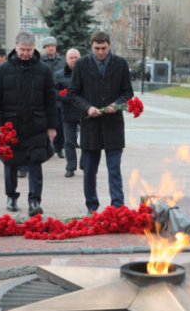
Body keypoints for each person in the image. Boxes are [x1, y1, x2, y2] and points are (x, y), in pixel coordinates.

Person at [0, 30, 57, 217]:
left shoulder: (43, 69)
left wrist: (52, 127)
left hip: (37, 124)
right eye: (22, 49)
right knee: (10, 161)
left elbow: (51, 100)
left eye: (29, 49)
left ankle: (34, 201)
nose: (25, 53)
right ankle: (11, 196)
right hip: (10, 125)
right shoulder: (4, 69)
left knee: (36, 162)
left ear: (34, 48)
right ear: (15, 47)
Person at [68, 31, 134, 214]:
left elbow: (128, 92)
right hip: (91, 125)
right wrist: (88, 108)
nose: (100, 52)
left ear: (109, 45)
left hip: (113, 124)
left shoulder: (120, 64)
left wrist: (118, 104)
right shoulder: (81, 65)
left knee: (114, 170)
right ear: (91, 46)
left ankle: (117, 208)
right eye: (97, 48)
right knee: (89, 171)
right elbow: (73, 93)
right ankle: (92, 207)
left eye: (104, 48)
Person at [55, 48, 83, 178]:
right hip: (68, 111)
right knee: (69, 141)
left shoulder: (86, 73)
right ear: (66, 59)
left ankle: (85, 164)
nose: (73, 60)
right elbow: (54, 92)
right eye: (71, 57)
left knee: (87, 140)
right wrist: (68, 98)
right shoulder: (59, 75)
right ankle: (70, 166)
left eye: (76, 57)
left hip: (84, 111)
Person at [40, 36, 66, 159]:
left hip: (59, 99)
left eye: (53, 46)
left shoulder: (62, 61)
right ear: (44, 48)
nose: (51, 48)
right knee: (44, 125)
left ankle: (59, 148)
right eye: (48, 46)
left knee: (60, 126)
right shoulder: (39, 61)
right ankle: (46, 147)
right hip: (44, 100)